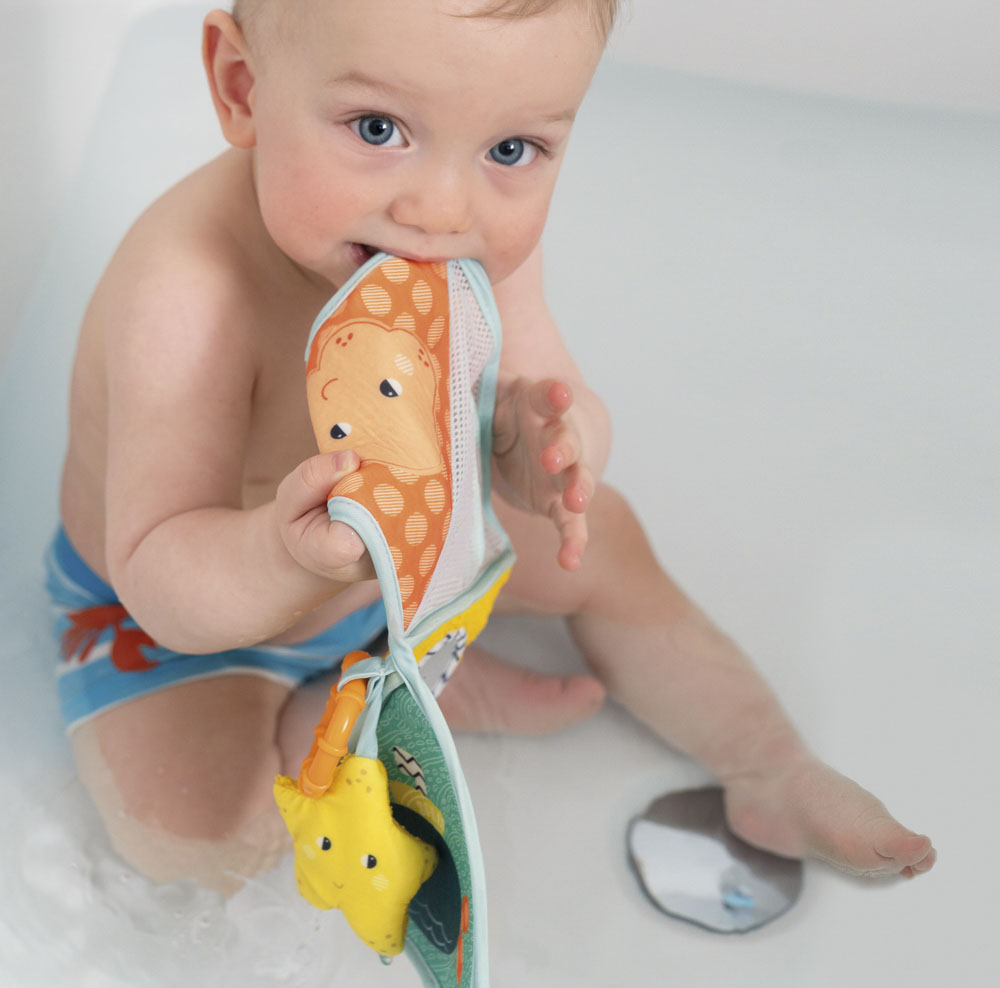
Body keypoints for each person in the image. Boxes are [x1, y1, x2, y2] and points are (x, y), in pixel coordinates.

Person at [50, 0, 935, 894]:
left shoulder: (459, 245)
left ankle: (768, 765)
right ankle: (366, 706)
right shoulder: (187, 296)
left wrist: (549, 449)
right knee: (192, 842)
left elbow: (556, 398)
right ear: (242, 86)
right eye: (377, 128)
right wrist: (284, 559)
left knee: (602, 535)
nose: (442, 209)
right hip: (187, 613)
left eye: (511, 149)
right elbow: (157, 574)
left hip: (417, 550)